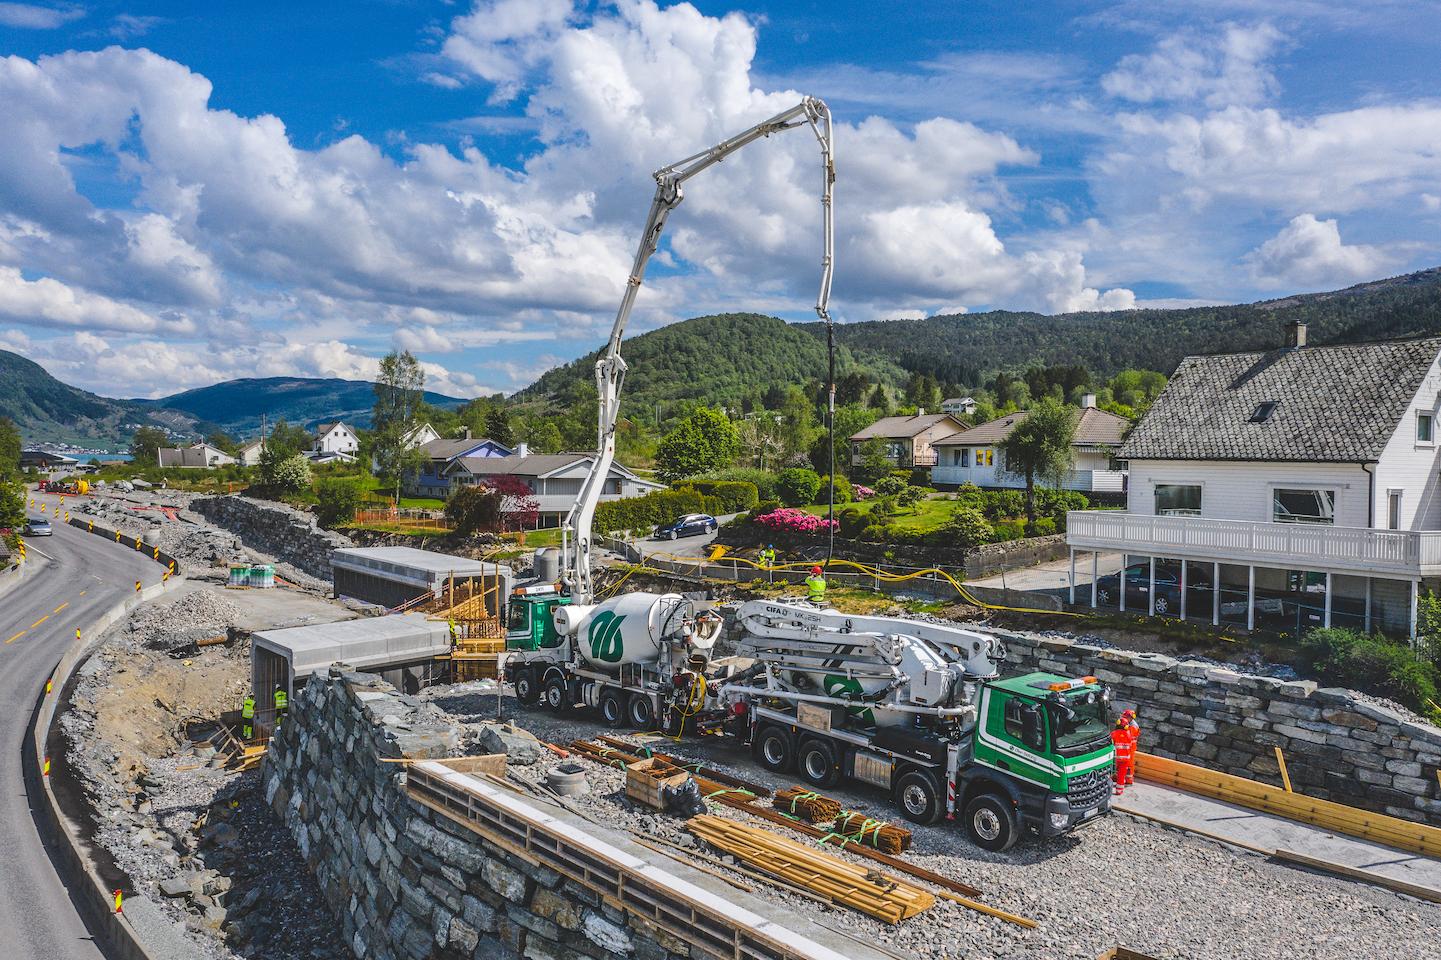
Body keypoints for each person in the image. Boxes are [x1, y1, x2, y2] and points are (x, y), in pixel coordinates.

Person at [1111, 708, 1138, 793]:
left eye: (1126, 717)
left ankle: (1128, 780)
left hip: (1122, 754)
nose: (1125, 718)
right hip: (1127, 754)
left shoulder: (1132, 727)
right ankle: (1121, 787)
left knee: (1126, 768)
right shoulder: (1128, 731)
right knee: (1123, 770)